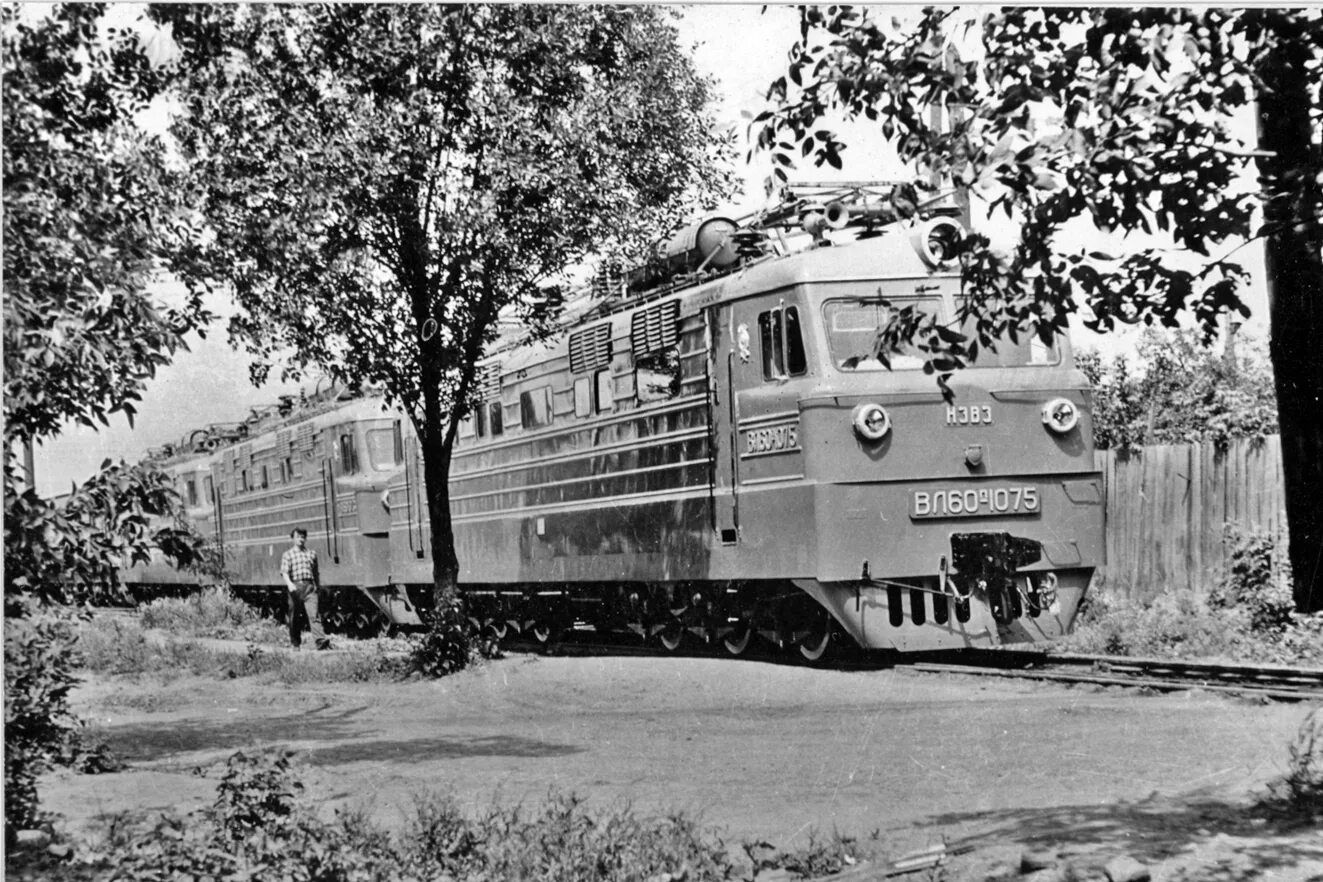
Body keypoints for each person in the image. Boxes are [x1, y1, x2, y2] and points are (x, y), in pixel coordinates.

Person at [281, 528, 330, 650]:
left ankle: (320, 641)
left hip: (309, 587)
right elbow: (284, 572)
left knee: (314, 615)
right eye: (298, 537)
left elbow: (315, 572)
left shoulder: (311, 554)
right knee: (294, 617)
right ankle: (295, 643)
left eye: (303, 537)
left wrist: (317, 586)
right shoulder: (288, 555)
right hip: (295, 587)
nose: (301, 539)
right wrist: (289, 584)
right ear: (293, 538)